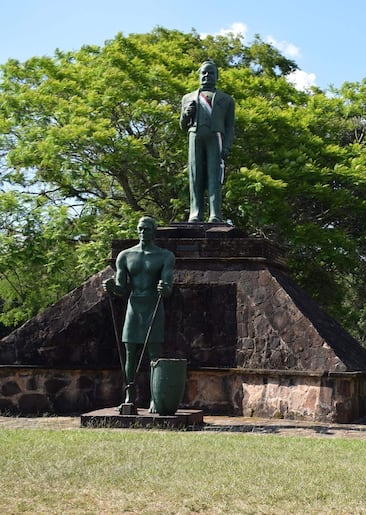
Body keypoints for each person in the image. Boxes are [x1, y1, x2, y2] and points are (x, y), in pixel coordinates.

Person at [103, 216, 175, 411]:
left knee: (154, 355)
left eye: (147, 229)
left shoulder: (165, 256)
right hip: (134, 306)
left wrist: (164, 288)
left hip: (153, 305)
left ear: (154, 232)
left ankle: (155, 398)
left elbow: (168, 288)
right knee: (130, 353)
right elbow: (120, 288)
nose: (143, 232)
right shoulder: (125, 256)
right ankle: (129, 395)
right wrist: (111, 287)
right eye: (140, 229)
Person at [179, 60, 235, 223]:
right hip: (195, 135)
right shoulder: (188, 98)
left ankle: (215, 213)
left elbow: (230, 127)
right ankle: (195, 213)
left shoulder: (226, 99)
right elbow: (182, 126)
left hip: (215, 137)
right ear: (199, 75)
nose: (206, 76)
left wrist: (227, 146)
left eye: (211, 73)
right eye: (203, 73)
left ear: (217, 76)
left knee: (214, 176)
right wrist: (186, 115)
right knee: (195, 175)